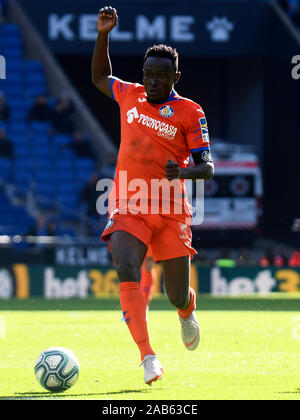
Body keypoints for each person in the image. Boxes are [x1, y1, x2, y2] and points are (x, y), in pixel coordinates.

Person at [92, 6, 214, 386]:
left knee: (175, 293)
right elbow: (99, 76)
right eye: (148, 74)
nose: (153, 81)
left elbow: (207, 167)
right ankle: (148, 356)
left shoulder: (190, 112)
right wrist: (103, 35)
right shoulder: (129, 95)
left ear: (175, 77)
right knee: (125, 266)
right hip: (129, 201)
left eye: (161, 76)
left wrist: (186, 172)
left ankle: (187, 309)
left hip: (171, 207)